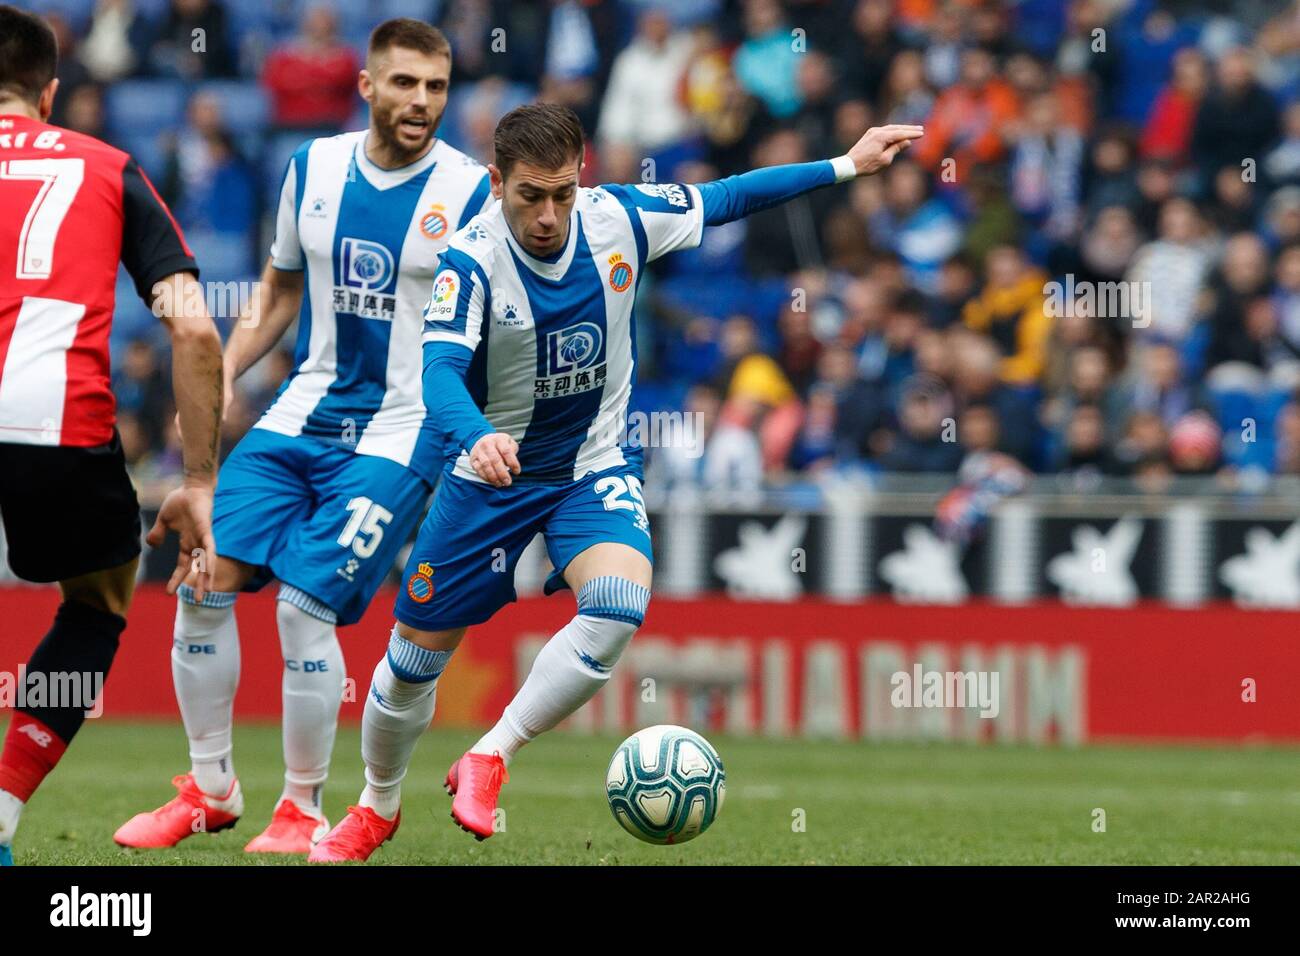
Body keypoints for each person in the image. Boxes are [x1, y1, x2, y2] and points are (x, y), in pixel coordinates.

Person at [309, 103, 923, 861]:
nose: (547, 214)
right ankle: (376, 805)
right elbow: (435, 373)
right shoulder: (469, 260)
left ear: (583, 177)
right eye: (529, 195)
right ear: (497, 182)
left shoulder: (620, 220)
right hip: (488, 476)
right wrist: (477, 436)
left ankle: (490, 753)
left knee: (620, 604)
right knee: (409, 668)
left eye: (562, 193)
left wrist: (845, 164)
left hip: (591, 468)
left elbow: (729, 196)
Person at [112, 18, 494, 857]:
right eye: (404, 83)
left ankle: (300, 810)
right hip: (302, 410)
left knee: (301, 607)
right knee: (204, 577)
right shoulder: (311, 168)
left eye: (436, 87)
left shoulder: (472, 192)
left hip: (401, 432)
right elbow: (281, 290)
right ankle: (210, 790)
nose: (421, 102)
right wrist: (223, 372)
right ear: (367, 87)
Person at [0, 4, 223, 866]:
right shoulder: (109, 167)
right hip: (58, 423)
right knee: (95, 606)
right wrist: (199, 480)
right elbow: (196, 331)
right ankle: (5, 808)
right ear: (50, 93)